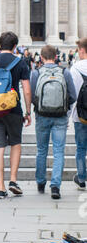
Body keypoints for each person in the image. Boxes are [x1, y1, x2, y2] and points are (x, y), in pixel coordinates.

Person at [0, 32, 32, 199]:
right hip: (13, 109)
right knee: (15, 143)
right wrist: (28, 111)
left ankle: (0, 187)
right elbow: (26, 90)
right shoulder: (20, 63)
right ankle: (13, 180)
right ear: (14, 46)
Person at [30, 45, 77, 200]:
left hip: (42, 116)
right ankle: (55, 186)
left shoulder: (36, 73)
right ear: (56, 57)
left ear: (41, 58)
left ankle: (40, 182)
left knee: (41, 150)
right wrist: (64, 110)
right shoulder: (65, 72)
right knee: (58, 151)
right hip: (60, 117)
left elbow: (32, 97)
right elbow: (73, 96)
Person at [70, 38, 87, 190]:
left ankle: (81, 178)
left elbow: (72, 94)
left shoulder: (75, 68)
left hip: (80, 115)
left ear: (82, 50)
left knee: (81, 147)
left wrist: (69, 113)